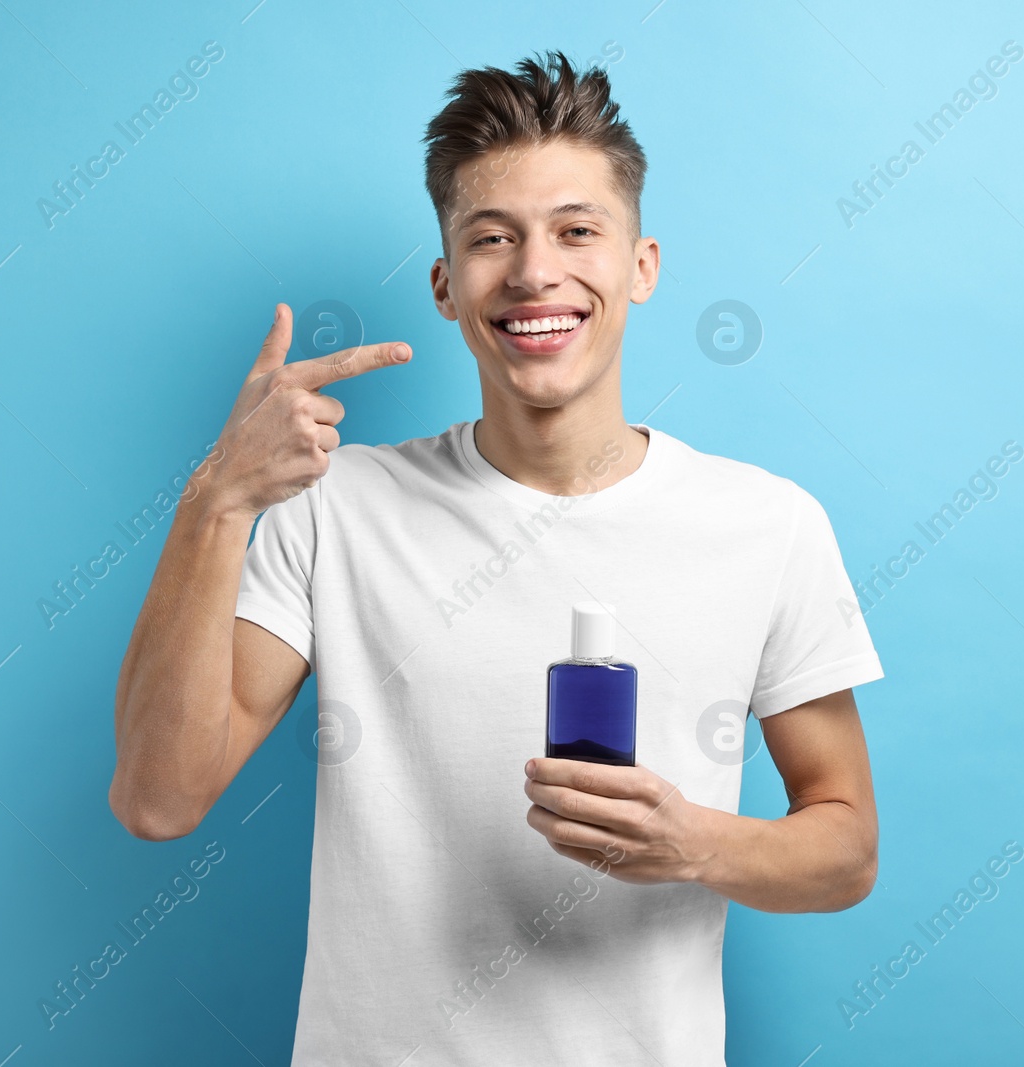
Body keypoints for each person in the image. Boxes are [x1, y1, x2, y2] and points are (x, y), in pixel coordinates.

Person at [110, 49, 885, 1066]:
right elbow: (158, 799)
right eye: (491, 238)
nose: (532, 271)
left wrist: (694, 839)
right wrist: (217, 498)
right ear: (444, 284)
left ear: (640, 265)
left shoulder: (766, 524)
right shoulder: (333, 509)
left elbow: (846, 847)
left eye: (576, 230)